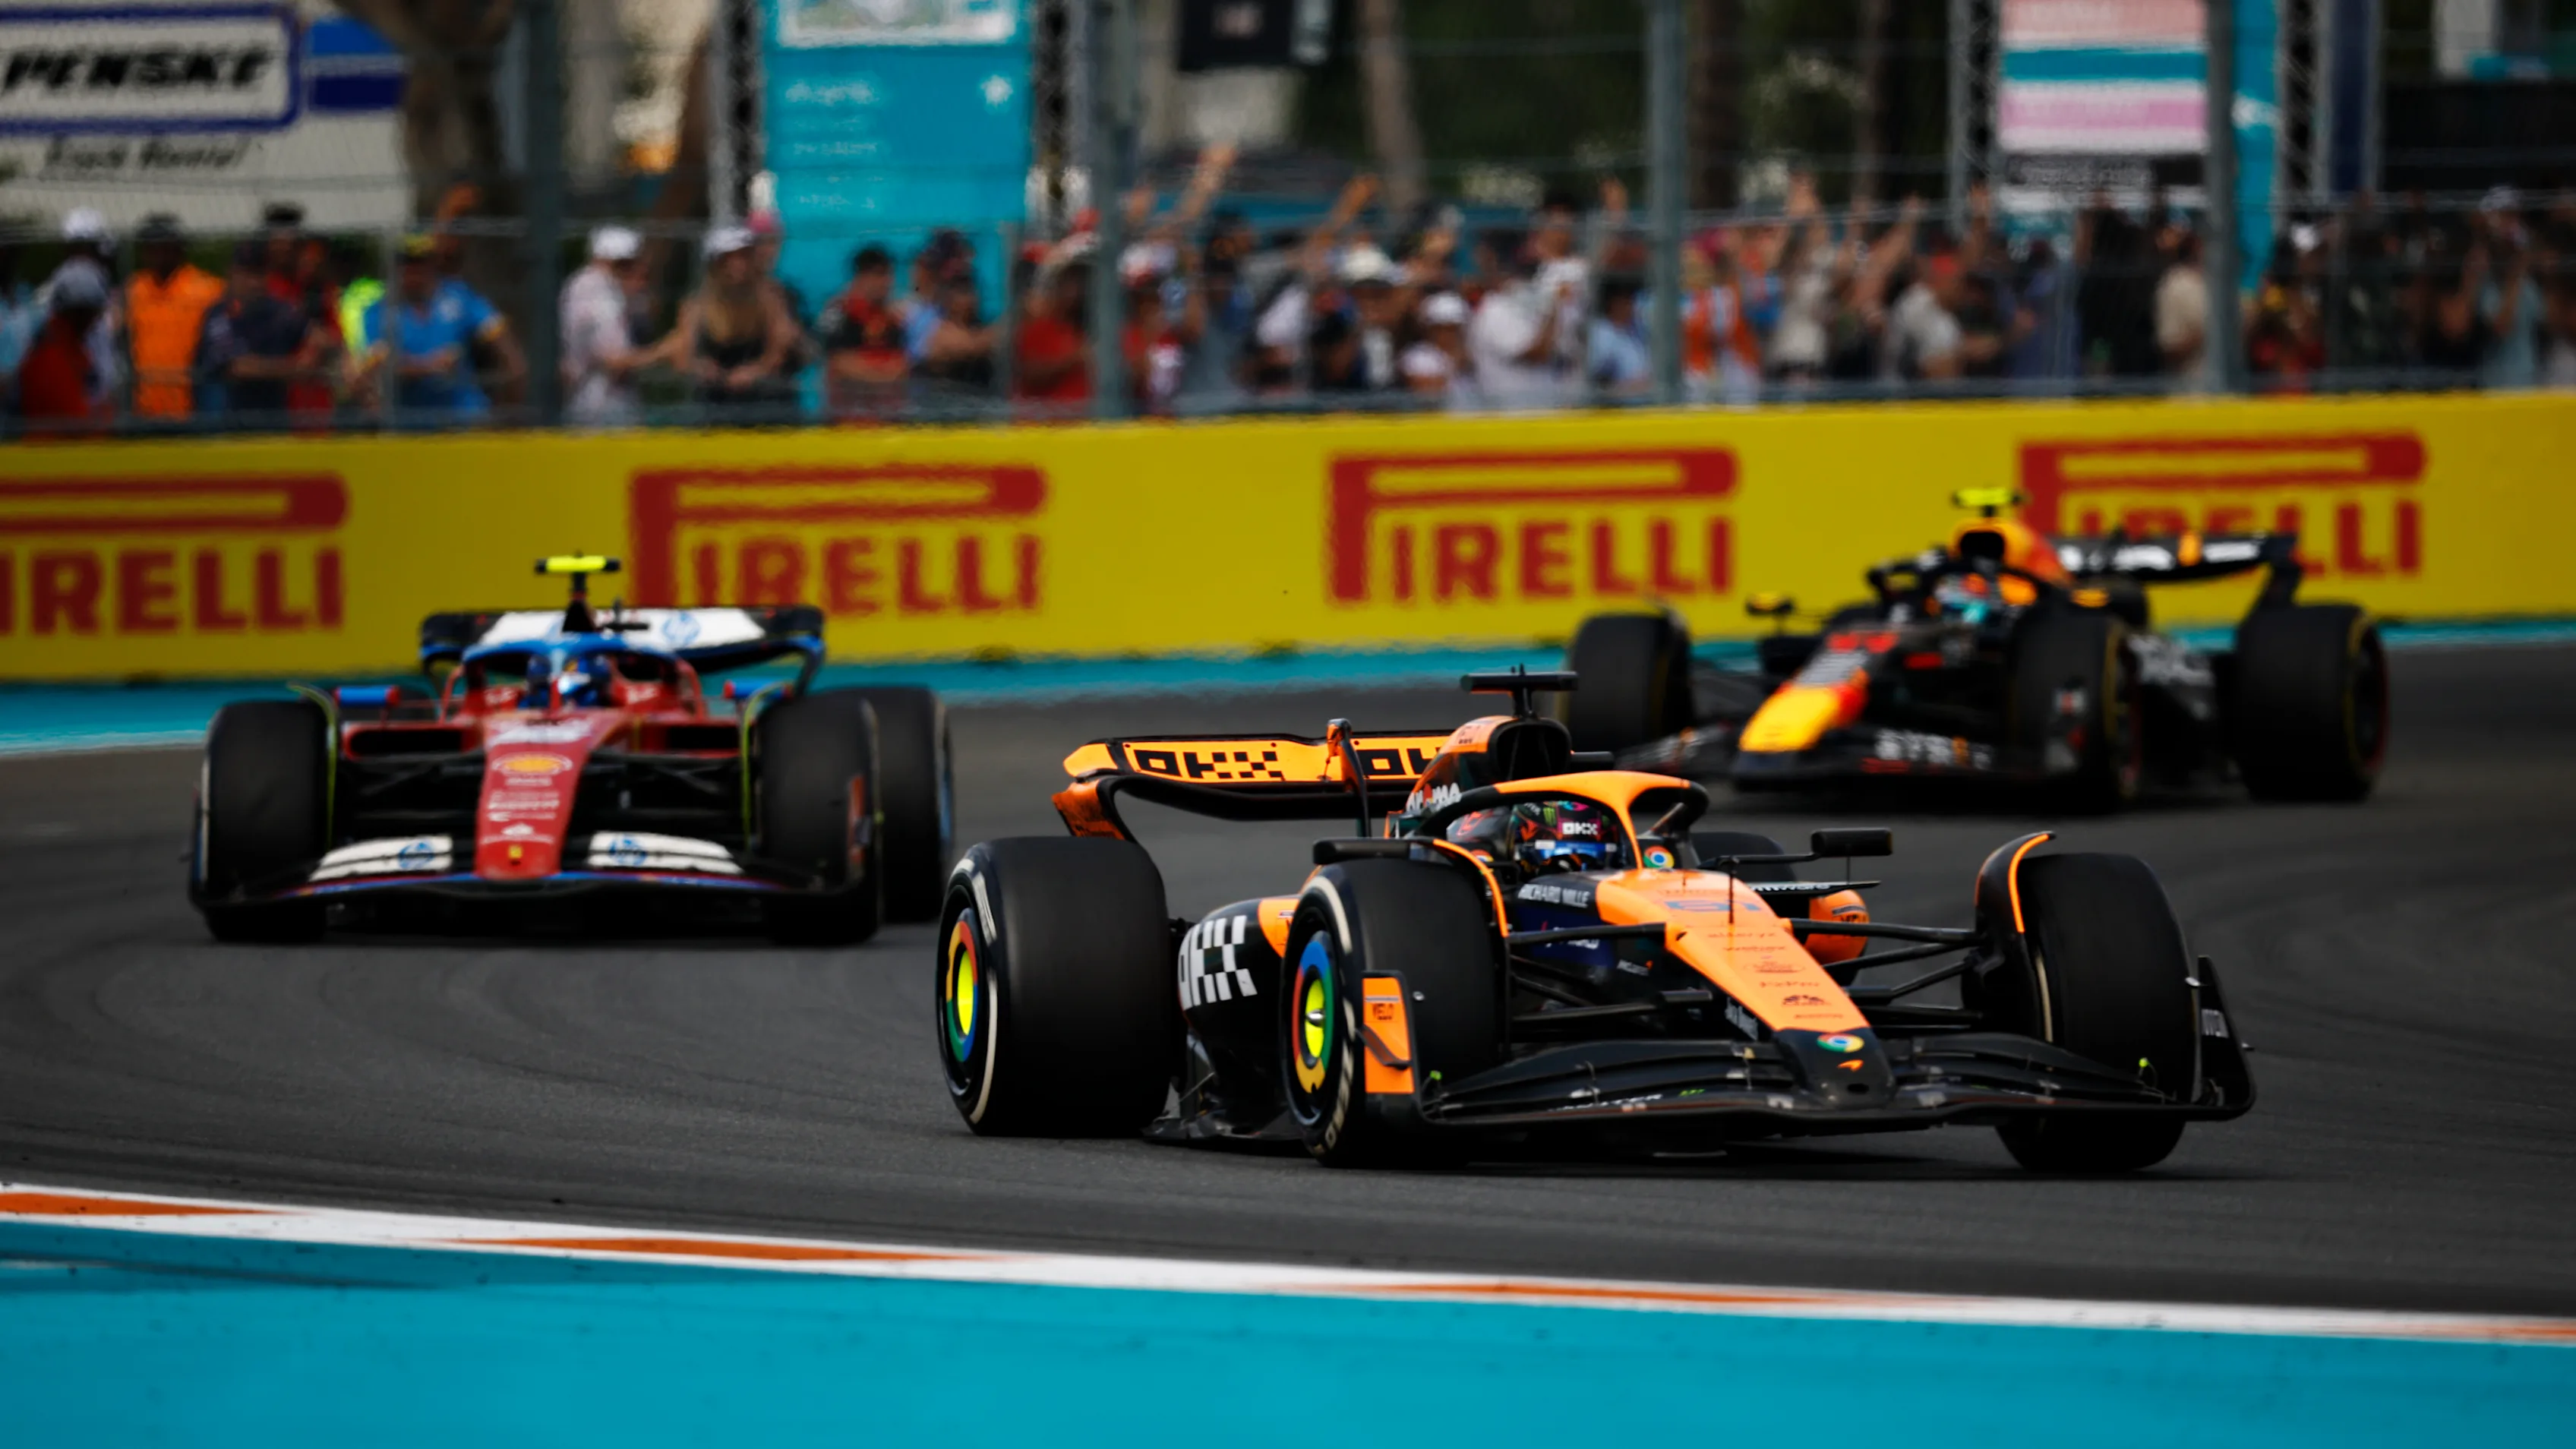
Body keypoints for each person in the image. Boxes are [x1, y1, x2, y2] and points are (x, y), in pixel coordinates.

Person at [356, 234, 522, 423]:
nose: (414, 272)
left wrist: (509, 401)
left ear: (432, 265)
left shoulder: (459, 297)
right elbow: (385, 366)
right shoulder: (378, 312)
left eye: (421, 263)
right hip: (410, 423)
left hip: (465, 416)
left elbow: (501, 338)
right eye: (407, 264)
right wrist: (431, 366)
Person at [673, 225, 799, 421]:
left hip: (766, 404)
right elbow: (682, 358)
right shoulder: (696, 306)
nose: (738, 265)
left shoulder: (771, 298)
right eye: (729, 258)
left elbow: (781, 348)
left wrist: (756, 371)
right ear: (716, 263)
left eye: (744, 256)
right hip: (715, 406)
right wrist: (701, 367)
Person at [196, 241, 328, 426]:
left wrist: (314, 351)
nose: (253, 283)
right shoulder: (218, 315)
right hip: (226, 425)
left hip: (273, 424)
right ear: (232, 274)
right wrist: (294, 368)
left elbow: (320, 336)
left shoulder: (279, 311)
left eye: (259, 274)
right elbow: (237, 367)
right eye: (246, 274)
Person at [124, 214, 225, 421]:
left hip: (193, 408)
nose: (156, 253)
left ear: (179, 248)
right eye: (150, 247)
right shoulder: (134, 289)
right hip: (144, 409)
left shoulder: (207, 289)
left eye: (163, 246)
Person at [1467, 227, 1580, 409]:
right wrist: (1555, 306)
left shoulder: (1527, 300)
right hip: (1513, 418)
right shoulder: (1494, 311)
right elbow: (1538, 354)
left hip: (1543, 414)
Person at [560, 225, 650, 426]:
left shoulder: (582, 284)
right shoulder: (596, 290)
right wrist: (664, 351)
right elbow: (613, 360)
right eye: (626, 263)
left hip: (591, 400)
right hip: (601, 405)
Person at [14, 263, 112, 431]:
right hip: (53, 444)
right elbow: (77, 424)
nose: (95, 321)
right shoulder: (51, 358)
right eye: (93, 313)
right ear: (79, 313)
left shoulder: (73, 348)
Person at [819, 243, 910, 418]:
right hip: (846, 419)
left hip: (888, 419)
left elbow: (903, 366)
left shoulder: (894, 318)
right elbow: (840, 364)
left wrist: (872, 373)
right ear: (861, 277)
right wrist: (884, 375)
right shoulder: (837, 313)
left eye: (890, 275)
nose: (887, 282)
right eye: (880, 275)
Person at [1012, 248, 1093, 409]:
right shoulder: (1038, 327)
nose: (1078, 290)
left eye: (1083, 281)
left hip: (1091, 420)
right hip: (1046, 420)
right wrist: (1074, 358)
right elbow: (1029, 374)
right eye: (1071, 281)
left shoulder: (1100, 329)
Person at [2154, 222, 2212, 389]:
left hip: (2234, 395)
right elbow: (2170, 350)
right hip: (2191, 392)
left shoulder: (2231, 285)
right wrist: (2213, 331)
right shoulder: (2176, 284)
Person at [1586, 274, 1653, 395]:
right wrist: (1630, 386)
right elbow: (1598, 382)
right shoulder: (1602, 333)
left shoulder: (1635, 329)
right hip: (1614, 403)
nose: (1632, 306)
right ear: (1614, 303)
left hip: (1642, 400)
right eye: (1627, 301)